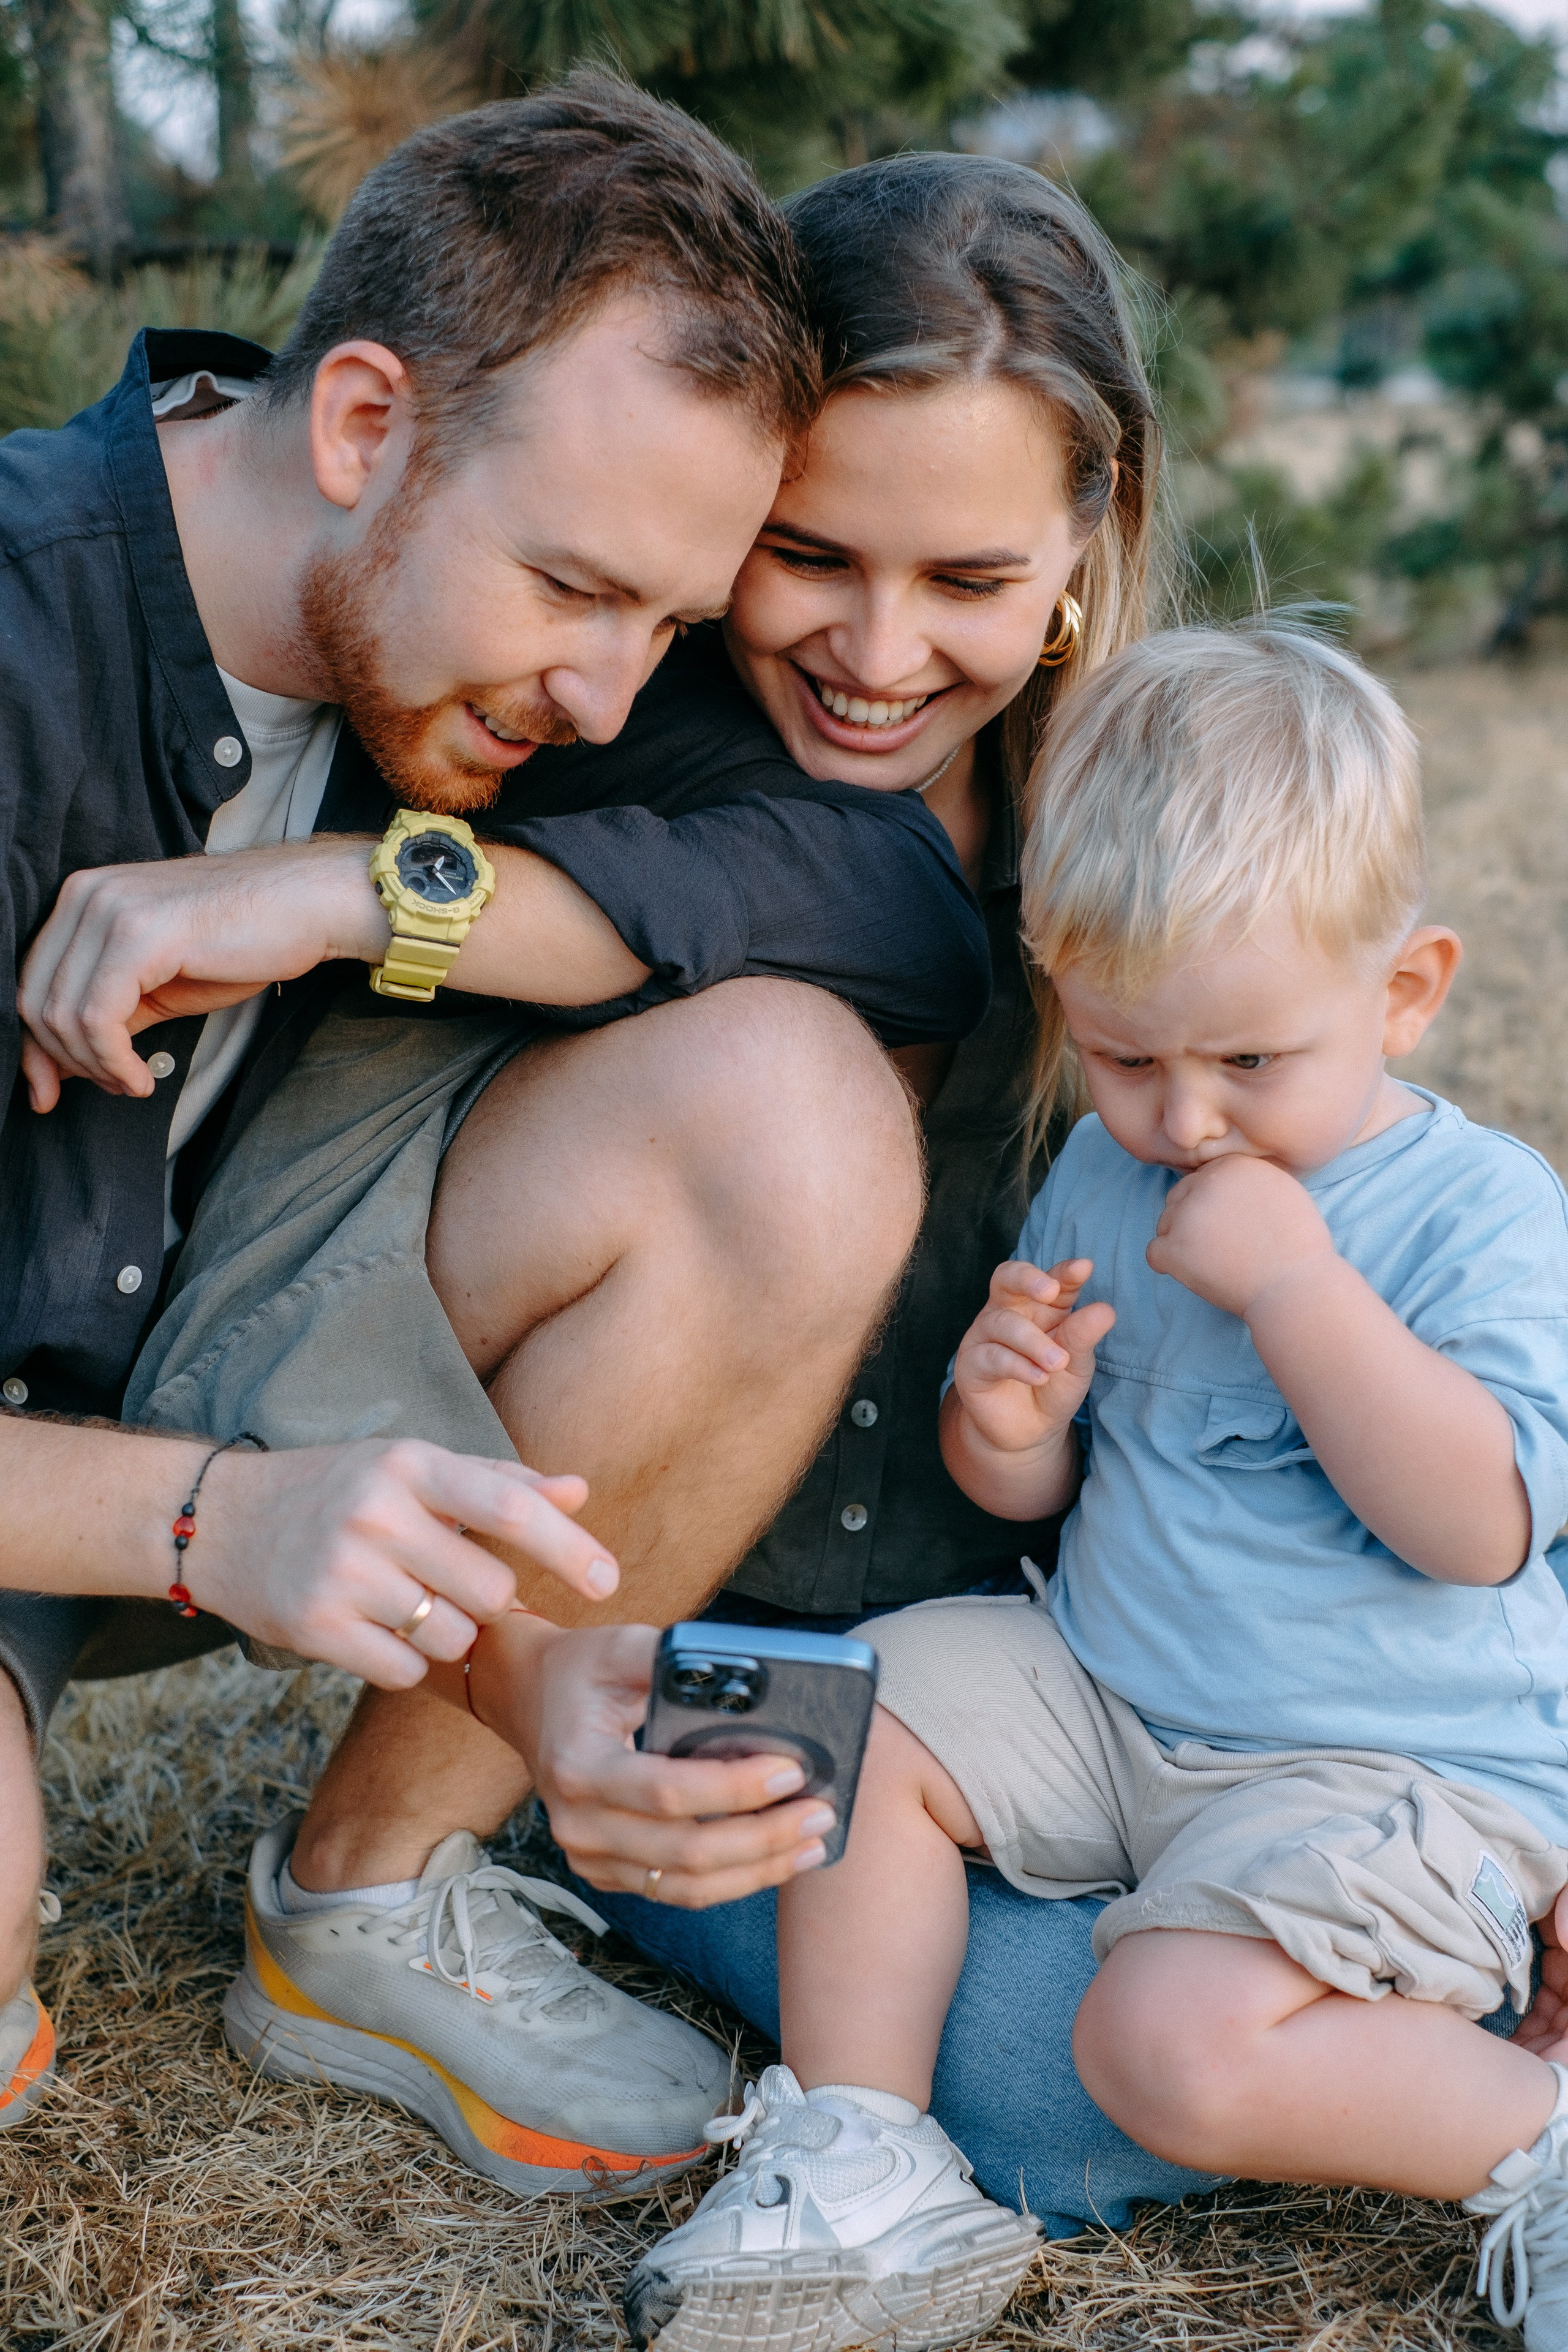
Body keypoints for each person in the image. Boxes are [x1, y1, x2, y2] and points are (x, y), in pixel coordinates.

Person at [117, 148, 1213, 2225]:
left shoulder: (1168, 832)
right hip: (657, 1636)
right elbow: (828, 897)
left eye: (969, 582)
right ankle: (404, 1857)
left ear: (1087, 545)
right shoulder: (600, 698)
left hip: (1048, 1662)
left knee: (1292, 1953)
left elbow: (1377, 1265)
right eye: (805, 555)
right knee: (1064, 2094)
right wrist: (378, 891)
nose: (879, 651)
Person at [0, 76, 993, 2173]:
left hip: (207, 1315)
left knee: (789, 1113)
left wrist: (367, 888)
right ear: (364, 423)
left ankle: (369, 1902)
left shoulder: (484, 627)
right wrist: (209, 1521)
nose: (618, 697)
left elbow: (888, 901)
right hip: (94, 1474)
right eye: (579, 595)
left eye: (673, 622)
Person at [622, 624, 1568, 2352]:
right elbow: (1036, 1497)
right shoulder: (1104, 1163)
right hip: (1115, 1690)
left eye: (1252, 1065)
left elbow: (1477, 1527)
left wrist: (1298, 1291)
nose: (1186, 1117)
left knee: (1164, 2052)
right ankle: (865, 2158)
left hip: (1370, 1764)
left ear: (1406, 989)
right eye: (1128, 1057)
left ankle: (1542, 2146)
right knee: (823, 1700)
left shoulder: (1479, 1216)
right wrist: (1009, 1414)